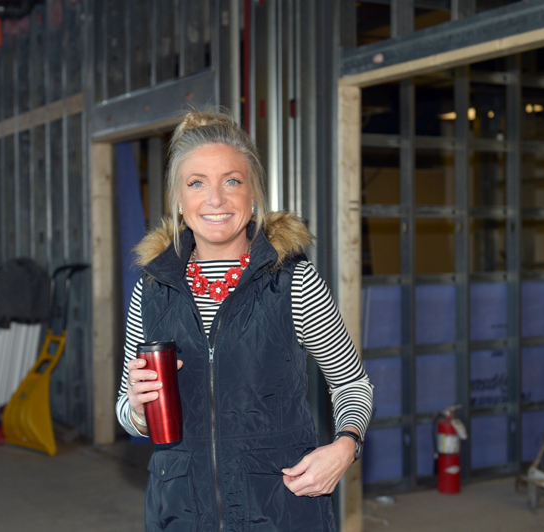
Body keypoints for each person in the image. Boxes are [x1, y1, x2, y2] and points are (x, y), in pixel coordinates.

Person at [116, 109, 373, 532]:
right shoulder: (151, 289)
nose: (215, 200)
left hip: (280, 510)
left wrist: (346, 446)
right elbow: (127, 410)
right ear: (179, 201)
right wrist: (139, 410)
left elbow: (351, 384)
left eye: (231, 181)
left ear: (252, 195)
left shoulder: (293, 280)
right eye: (196, 183)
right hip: (181, 512)